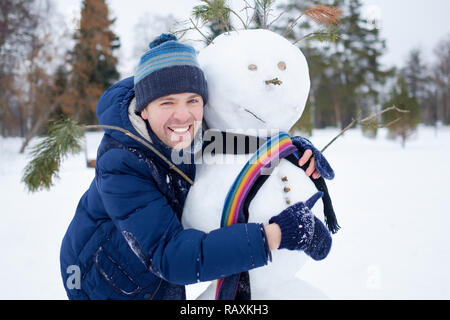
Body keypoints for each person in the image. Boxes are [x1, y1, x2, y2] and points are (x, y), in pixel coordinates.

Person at [59, 34, 331, 300]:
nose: (182, 115)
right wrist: (276, 234)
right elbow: (171, 256)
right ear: (144, 109)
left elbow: (233, 141)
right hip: (106, 279)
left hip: (155, 270)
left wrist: (290, 150)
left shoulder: (189, 132)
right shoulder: (122, 164)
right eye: (167, 102)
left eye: (192, 100)